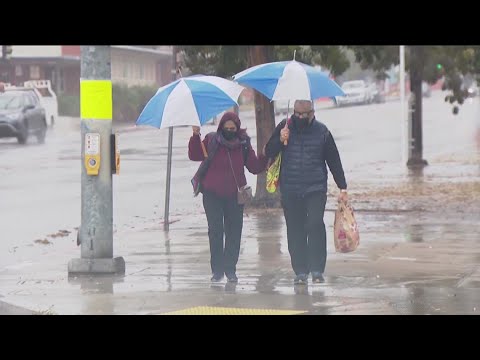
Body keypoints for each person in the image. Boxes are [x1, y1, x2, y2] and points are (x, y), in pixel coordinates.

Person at [265, 100, 348, 285]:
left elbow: (334, 160)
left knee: (314, 224)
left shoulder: (322, 132)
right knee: (295, 230)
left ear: (312, 113)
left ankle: (317, 269)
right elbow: (268, 151)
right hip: (290, 189)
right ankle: (300, 271)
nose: (300, 118)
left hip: (315, 188)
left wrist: (342, 186)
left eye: (304, 114)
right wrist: (280, 139)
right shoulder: (284, 127)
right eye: (297, 114)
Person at [188, 112, 268, 283]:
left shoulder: (244, 144)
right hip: (212, 195)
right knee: (215, 232)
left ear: (238, 128)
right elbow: (195, 155)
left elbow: (254, 166)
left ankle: (230, 269)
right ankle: (217, 271)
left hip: (235, 195)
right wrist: (195, 136)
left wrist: (265, 155)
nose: (230, 131)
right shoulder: (211, 140)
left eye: (233, 128)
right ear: (221, 127)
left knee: (234, 233)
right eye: (227, 128)